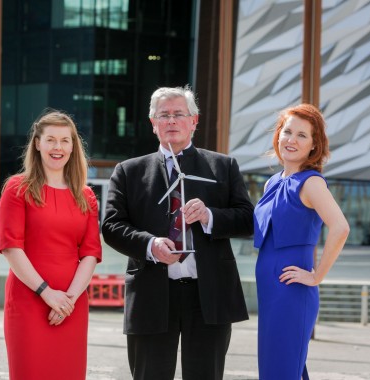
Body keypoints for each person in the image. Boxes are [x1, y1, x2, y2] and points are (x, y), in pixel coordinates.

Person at [102, 86, 254, 380]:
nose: (171, 121)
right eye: (164, 115)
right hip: (151, 293)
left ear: (194, 120)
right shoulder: (128, 171)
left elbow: (248, 219)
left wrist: (210, 215)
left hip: (208, 295)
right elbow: (111, 226)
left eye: (178, 114)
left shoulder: (223, 166)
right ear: (153, 123)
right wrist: (149, 245)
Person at [0, 110, 102, 380]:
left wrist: (69, 299)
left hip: (72, 304)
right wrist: (47, 294)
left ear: (73, 146)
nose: (58, 147)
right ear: (37, 143)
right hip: (29, 301)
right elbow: (11, 248)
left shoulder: (86, 195)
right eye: (51, 140)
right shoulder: (17, 188)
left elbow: (91, 252)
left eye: (65, 141)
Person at [254, 103, 350, 379]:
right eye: (287, 132)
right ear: (278, 135)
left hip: (291, 293)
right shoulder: (271, 183)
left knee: (280, 372)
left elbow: (340, 228)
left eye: (302, 135)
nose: (291, 140)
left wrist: (317, 276)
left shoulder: (311, 183)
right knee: (283, 370)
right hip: (270, 291)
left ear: (313, 145)